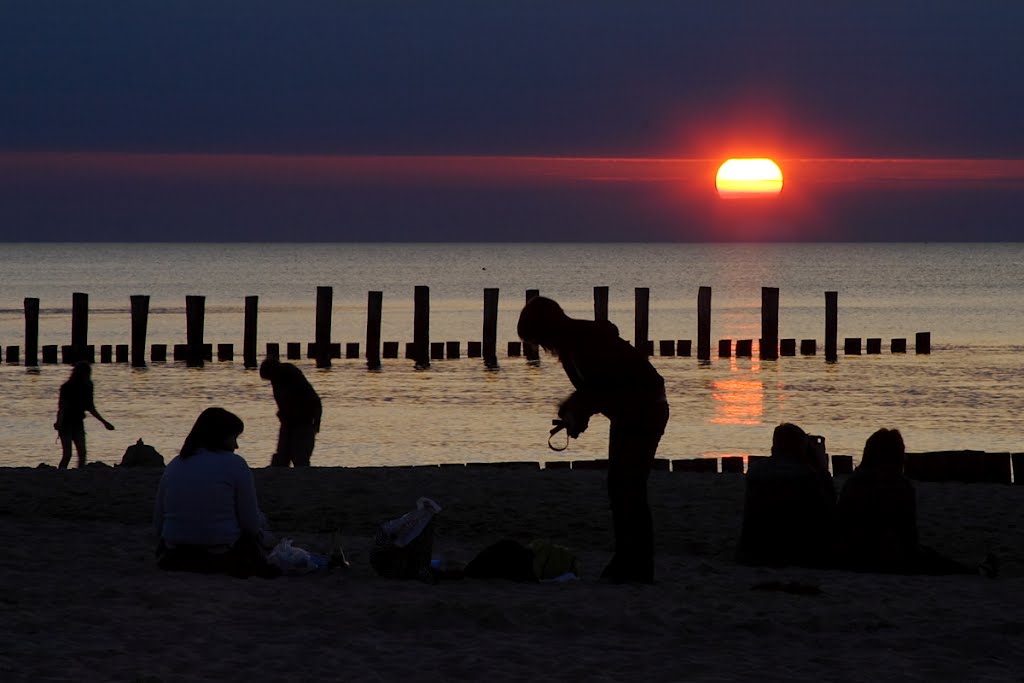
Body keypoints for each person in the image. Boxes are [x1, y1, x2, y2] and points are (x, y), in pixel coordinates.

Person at [517, 296, 669, 584]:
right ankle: (629, 561)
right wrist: (575, 413)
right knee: (622, 489)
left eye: (537, 338)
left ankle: (635, 565)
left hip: (644, 411)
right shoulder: (575, 344)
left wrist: (576, 410)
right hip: (630, 413)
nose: (541, 347)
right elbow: (596, 390)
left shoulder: (582, 344)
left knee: (629, 490)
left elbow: (601, 387)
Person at [835, 428, 997, 577]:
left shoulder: (853, 483)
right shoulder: (900, 486)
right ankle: (976, 572)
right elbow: (908, 534)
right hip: (886, 557)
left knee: (929, 555)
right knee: (934, 559)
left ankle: (974, 570)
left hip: (851, 555)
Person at [153, 407, 279, 578]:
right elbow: (250, 526)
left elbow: (159, 522)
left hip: (174, 553)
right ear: (219, 436)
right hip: (219, 553)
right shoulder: (235, 464)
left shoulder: (175, 464)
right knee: (260, 524)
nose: (236, 445)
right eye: (233, 438)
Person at [736, 423, 837, 568]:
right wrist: (822, 468)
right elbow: (829, 509)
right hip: (800, 553)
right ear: (801, 448)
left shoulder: (755, 470)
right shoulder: (808, 476)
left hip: (756, 550)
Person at [259, 356, 322, 467]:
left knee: (299, 455)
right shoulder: (278, 378)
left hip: (302, 420)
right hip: (290, 421)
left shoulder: (289, 376)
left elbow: (314, 400)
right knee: (284, 454)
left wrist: (317, 421)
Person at [53, 361, 115, 468]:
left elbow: (90, 407)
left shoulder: (88, 386)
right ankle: (61, 473)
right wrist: (59, 422)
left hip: (77, 422)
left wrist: (104, 422)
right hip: (66, 423)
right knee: (68, 454)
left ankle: (79, 472)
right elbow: (62, 407)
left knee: (82, 452)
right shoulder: (67, 387)